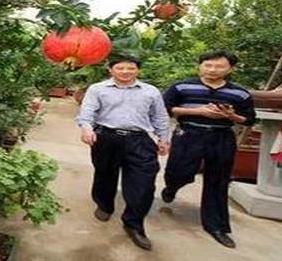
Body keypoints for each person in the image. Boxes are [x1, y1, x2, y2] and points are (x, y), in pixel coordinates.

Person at [161, 51, 256, 249]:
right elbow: (164, 108)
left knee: (218, 182)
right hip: (189, 134)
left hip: (221, 137)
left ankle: (217, 227)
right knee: (179, 172)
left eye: (219, 66)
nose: (212, 70)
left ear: (230, 68)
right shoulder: (182, 87)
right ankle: (172, 187)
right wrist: (197, 111)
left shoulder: (240, 93)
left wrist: (231, 116)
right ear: (200, 66)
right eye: (208, 65)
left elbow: (249, 119)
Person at [76, 54, 171, 251]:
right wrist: (86, 128)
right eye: (120, 68)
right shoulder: (97, 89)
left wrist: (164, 138)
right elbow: (87, 112)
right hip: (106, 138)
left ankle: (134, 224)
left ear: (138, 70)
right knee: (105, 175)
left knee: (143, 184)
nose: (126, 72)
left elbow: (160, 116)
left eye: (131, 68)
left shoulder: (151, 91)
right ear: (111, 70)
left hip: (140, 140)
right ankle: (104, 205)